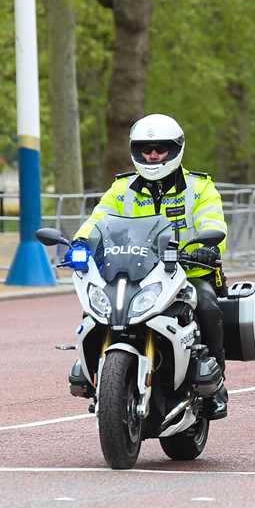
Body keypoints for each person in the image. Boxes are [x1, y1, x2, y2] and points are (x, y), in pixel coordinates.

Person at [73, 114, 231, 419]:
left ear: (176, 149)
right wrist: (80, 244)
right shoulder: (122, 189)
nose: (153, 155)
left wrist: (208, 249)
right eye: (146, 149)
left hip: (187, 272)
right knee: (94, 309)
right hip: (134, 271)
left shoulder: (199, 188)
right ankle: (94, 376)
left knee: (209, 306)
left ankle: (216, 385)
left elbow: (213, 223)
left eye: (160, 148)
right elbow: (97, 220)